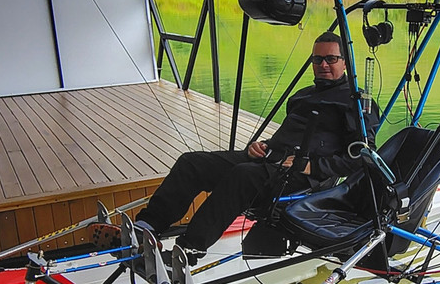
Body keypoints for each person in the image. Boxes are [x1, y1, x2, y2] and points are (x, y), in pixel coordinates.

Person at [97, 32, 378, 262]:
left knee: (243, 175)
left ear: (345, 63)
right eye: (317, 59)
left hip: (304, 178)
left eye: (331, 59)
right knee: (192, 162)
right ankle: (147, 226)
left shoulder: (356, 103)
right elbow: (288, 135)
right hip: (271, 161)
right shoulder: (304, 95)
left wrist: (312, 166)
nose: (323, 65)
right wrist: (262, 145)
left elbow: (362, 157)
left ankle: (190, 248)